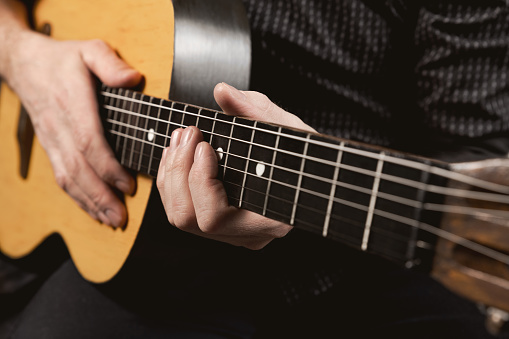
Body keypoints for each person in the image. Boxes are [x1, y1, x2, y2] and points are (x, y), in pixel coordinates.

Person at [1, 0, 509, 338]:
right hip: (137, 260)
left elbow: (474, 150)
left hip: (355, 258)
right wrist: (20, 52)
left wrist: (304, 181)